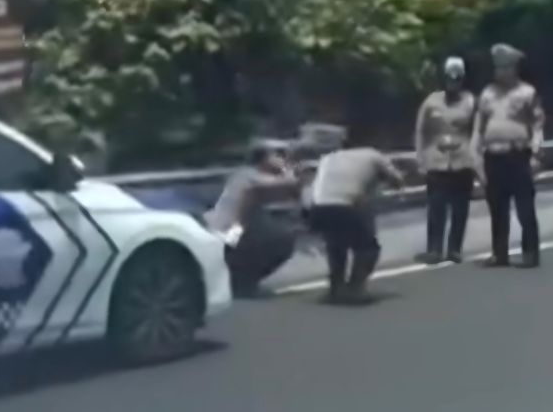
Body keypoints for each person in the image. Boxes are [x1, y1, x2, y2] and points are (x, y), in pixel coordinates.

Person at [306, 135, 405, 305]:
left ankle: (336, 288)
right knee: (368, 248)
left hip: (316, 207)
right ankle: (355, 288)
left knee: (336, 245)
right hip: (344, 206)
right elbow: (396, 179)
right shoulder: (372, 154)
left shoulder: (329, 157)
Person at [472, 43, 545, 269]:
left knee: (525, 208)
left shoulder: (526, 92)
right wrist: (475, 155)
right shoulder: (487, 93)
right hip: (494, 157)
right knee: (497, 208)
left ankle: (530, 253)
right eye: (498, 67)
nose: (501, 72)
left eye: (506, 67)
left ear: (514, 68)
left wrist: (536, 153)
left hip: (518, 155)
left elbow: (538, 124)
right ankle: (499, 253)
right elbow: (479, 126)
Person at [204, 139, 301, 298]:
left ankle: (242, 282)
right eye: (278, 155)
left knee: (278, 237)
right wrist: (287, 168)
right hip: (230, 227)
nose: (283, 159)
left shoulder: (249, 174)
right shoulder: (249, 175)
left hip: (239, 225)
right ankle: (241, 284)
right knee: (281, 240)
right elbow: (290, 184)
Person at [414, 56, 476, 265]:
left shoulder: (470, 101)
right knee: (436, 208)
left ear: (462, 80)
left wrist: (477, 158)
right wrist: (420, 159)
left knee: (460, 209)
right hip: (437, 161)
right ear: (444, 80)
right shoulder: (432, 101)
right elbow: (420, 131)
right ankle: (434, 249)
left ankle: (455, 249)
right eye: (450, 79)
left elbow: (478, 131)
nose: (453, 84)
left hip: (462, 160)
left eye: (457, 79)